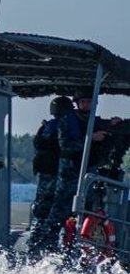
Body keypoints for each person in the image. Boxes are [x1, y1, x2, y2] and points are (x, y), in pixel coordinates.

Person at [30, 95, 84, 252]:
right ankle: (48, 244)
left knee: (42, 212)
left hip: (45, 177)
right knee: (57, 212)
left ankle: (35, 244)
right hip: (58, 176)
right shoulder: (64, 122)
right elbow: (66, 145)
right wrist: (88, 141)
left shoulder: (47, 127)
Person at [27, 96, 70, 237]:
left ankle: (37, 235)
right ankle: (43, 236)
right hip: (53, 173)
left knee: (42, 207)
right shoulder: (61, 127)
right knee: (51, 208)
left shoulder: (46, 127)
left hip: (44, 173)